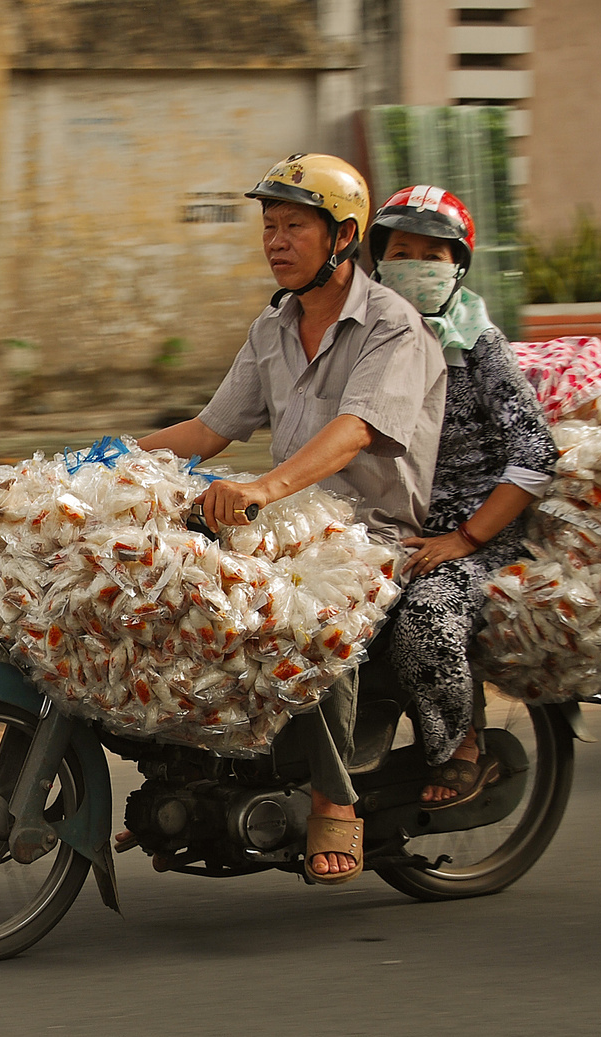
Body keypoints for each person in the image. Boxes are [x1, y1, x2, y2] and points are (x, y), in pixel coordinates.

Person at [137, 154, 448, 884]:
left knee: (312, 610)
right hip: (285, 517)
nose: (276, 241)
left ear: (342, 237)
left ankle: (334, 804)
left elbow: (357, 430)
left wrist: (263, 489)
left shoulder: (392, 328)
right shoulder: (272, 328)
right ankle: (196, 763)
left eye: (294, 227)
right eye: (269, 227)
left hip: (371, 533)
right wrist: (96, 464)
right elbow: (210, 430)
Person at [367, 185, 557, 807]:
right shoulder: (365, 342)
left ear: (457, 267)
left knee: (424, 618)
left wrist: (464, 538)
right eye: (402, 252)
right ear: (378, 260)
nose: (415, 267)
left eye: (433, 255)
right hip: (388, 527)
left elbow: (535, 455)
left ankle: (462, 748)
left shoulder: (479, 347)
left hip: (475, 535)